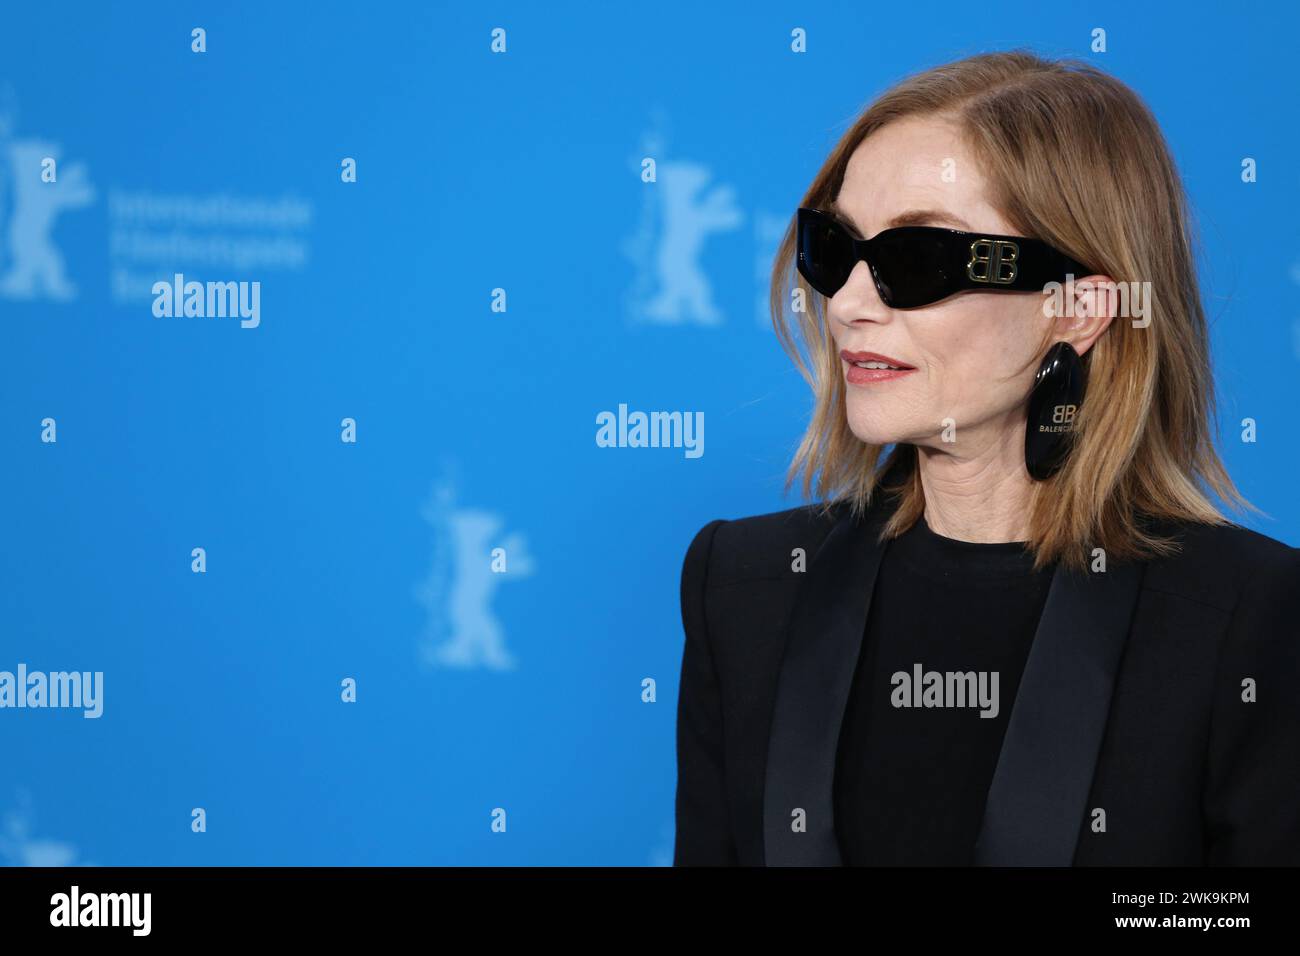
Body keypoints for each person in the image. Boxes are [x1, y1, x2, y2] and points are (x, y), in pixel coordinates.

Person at [673, 50, 1300, 866]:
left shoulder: (1250, 619)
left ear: (1079, 308)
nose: (849, 305)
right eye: (835, 249)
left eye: (917, 259)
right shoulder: (742, 586)